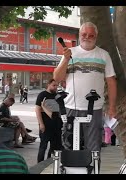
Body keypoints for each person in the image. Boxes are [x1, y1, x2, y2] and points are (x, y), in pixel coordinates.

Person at [53, 22, 117, 157]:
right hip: (71, 106)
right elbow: (57, 78)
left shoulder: (103, 55)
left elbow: (111, 81)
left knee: (93, 148)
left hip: (94, 108)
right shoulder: (70, 53)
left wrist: (112, 107)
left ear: (96, 36)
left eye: (91, 35)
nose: (87, 37)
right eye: (84, 34)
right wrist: (65, 60)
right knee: (69, 145)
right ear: (79, 35)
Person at [35, 79, 63, 162]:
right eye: (54, 85)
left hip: (56, 124)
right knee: (43, 146)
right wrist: (41, 124)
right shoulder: (42, 95)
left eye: (57, 85)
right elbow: (37, 110)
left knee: (54, 147)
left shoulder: (57, 96)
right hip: (46, 124)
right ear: (48, 84)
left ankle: (50, 162)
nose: (55, 87)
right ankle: (39, 164)